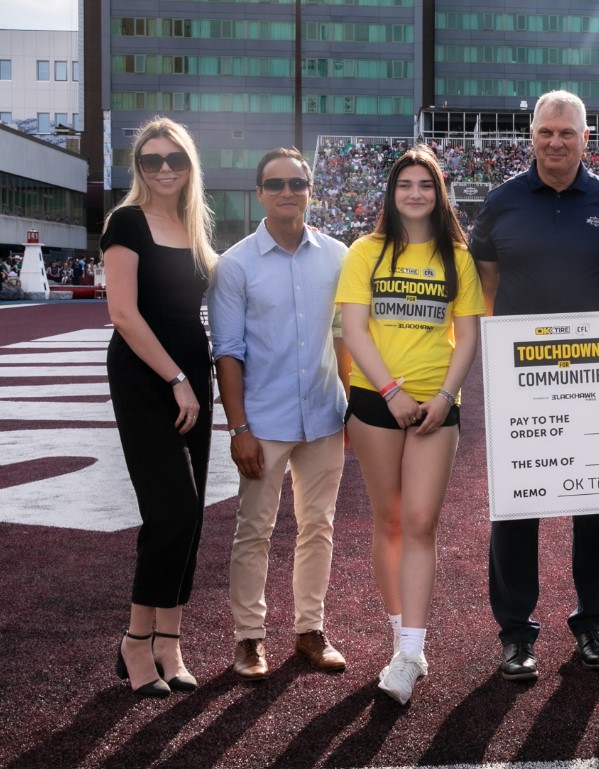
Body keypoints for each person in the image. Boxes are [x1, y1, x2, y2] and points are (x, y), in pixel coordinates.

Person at [471, 90, 599, 682]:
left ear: (587, 137)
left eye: (567, 133)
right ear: (531, 135)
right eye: (546, 133)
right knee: (517, 506)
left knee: (595, 506)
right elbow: (486, 282)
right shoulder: (503, 201)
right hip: (524, 376)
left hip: (595, 373)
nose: (556, 142)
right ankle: (516, 633)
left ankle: (593, 624)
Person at [337, 146, 485, 704]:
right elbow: (356, 331)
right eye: (406, 185)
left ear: (438, 193)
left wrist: (445, 396)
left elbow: (467, 335)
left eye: (426, 184)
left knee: (423, 522)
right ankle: (403, 636)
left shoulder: (457, 257)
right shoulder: (366, 251)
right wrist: (392, 392)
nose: (416, 193)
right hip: (377, 402)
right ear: (392, 194)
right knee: (391, 519)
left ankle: (409, 655)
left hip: (439, 406)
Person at [210, 147, 350, 682]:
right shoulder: (235, 265)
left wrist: (351, 406)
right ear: (259, 193)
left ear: (310, 189)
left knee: (319, 527)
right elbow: (227, 351)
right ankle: (249, 639)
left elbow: (349, 335)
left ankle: (309, 630)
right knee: (254, 531)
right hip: (262, 425)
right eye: (276, 184)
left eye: (298, 182)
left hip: (324, 417)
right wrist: (239, 428)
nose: (288, 192)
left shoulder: (339, 256)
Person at [102, 116, 217, 697]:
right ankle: (133, 641)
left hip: (193, 373)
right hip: (149, 375)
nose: (165, 168)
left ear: (190, 165)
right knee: (170, 508)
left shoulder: (193, 225)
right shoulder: (126, 221)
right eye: (152, 160)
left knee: (191, 513)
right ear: (139, 168)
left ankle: (169, 642)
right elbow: (123, 313)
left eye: (175, 158)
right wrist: (175, 378)